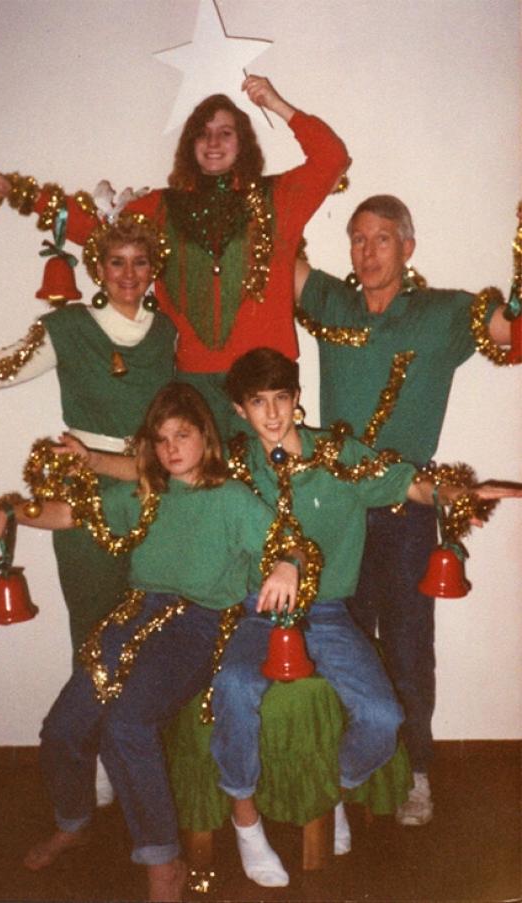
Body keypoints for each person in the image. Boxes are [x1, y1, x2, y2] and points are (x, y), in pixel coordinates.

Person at [0, 382, 304, 903]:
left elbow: (291, 543)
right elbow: (68, 514)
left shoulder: (233, 498)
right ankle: (74, 821)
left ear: (204, 438)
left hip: (198, 624)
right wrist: (9, 512)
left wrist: (285, 562)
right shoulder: (145, 493)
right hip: (135, 615)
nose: (172, 447)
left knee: (126, 721)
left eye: (182, 435)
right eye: (162, 438)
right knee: (62, 728)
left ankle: (162, 859)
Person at [211, 347, 521, 876]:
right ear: (239, 409)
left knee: (384, 717)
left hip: (327, 614)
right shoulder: (233, 467)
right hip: (257, 611)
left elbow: (407, 483)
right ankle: (246, 820)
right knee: (235, 687)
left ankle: (330, 793)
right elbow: (161, 468)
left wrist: (451, 491)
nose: (272, 413)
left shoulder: (337, 455)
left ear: (297, 399)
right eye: (257, 402)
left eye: (281, 398)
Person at [0, 214, 176, 806]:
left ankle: (155, 763)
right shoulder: (70, 326)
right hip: (81, 501)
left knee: (159, 637)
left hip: (158, 498)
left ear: (153, 268)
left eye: (140, 261)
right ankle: (105, 758)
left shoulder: (173, 334)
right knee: (94, 636)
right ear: (97, 269)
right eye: (116, 261)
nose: (129, 273)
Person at [294, 194, 518, 825]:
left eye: (382, 239)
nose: (367, 252)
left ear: (408, 247)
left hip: (408, 509)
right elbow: (275, 251)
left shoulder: (443, 314)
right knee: (339, 643)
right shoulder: (333, 302)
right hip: (334, 510)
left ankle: (416, 772)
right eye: (357, 239)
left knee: (410, 645)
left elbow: (508, 330)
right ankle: (351, 769)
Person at [0, 75, 350, 436]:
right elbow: (97, 230)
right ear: (189, 144)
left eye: (225, 132)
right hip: (194, 380)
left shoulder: (278, 199)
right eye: (202, 133)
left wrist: (275, 103)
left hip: (265, 380)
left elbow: (332, 158)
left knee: (272, 491)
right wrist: (19, 191)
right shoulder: (160, 208)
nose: (213, 141)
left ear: (243, 142)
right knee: (202, 493)